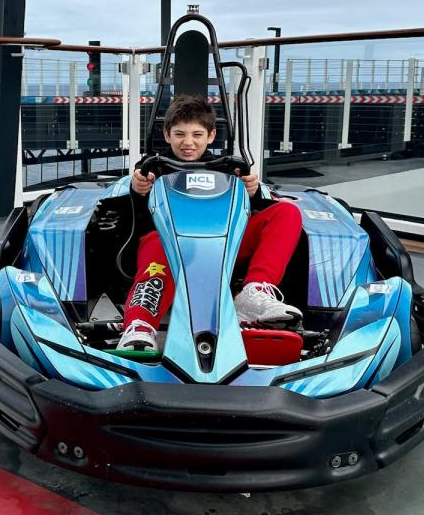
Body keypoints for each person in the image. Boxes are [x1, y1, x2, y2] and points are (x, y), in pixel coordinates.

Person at [118, 94, 304, 351]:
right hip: (170, 248)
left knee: (287, 212)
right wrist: (137, 188)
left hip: (224, 245)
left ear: (211, 135)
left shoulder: (230, 169)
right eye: (180, 134)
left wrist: (253, 191)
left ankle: (255, 292)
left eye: (196, 134)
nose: (188, 143)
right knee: (156, 243)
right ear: (167, 134)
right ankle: (140, 325)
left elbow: (261, 202)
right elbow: (126, 202)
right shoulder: (151, 169)